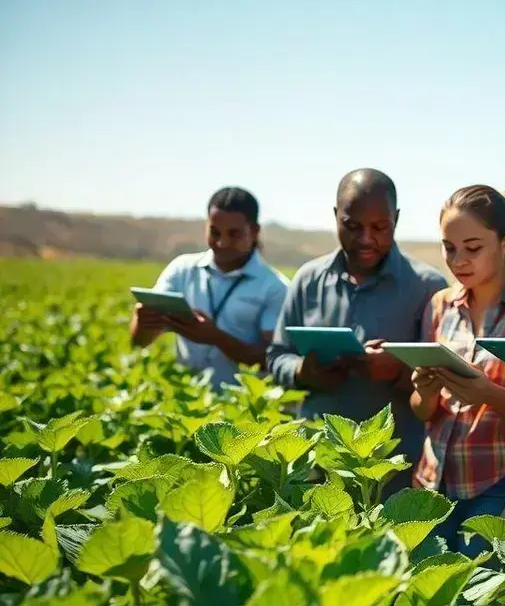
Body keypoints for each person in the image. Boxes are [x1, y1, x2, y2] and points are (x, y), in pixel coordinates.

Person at [267, 168, 447, 490]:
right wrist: (302, 371)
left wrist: (396, 371)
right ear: (336, 216)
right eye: (352, 226)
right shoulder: (308, 280)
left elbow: (445, 385)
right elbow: (277, 355)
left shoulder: (427, 288)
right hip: (316, 468)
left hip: (391, 474)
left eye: (379, 228)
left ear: (397, 219)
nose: (366, 239)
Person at [410, 185, 505, 555]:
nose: (458, 260)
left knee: (478, 594)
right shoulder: (440, 305)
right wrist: (423, 390)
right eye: (449, 248)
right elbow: (423, 411)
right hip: (433, 480)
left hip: (501, 483)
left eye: (473, 248)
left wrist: (486, 393)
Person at [131, 187, 289, 390]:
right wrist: (143, 321)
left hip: (241, 409)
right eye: (214, 232)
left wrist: (214, 336)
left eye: (234, 234)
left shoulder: (275, 287)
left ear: (255, 231)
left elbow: (272, 360)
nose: (222, 242)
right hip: (187, 401)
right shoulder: (182, 269)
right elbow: (139, 342)